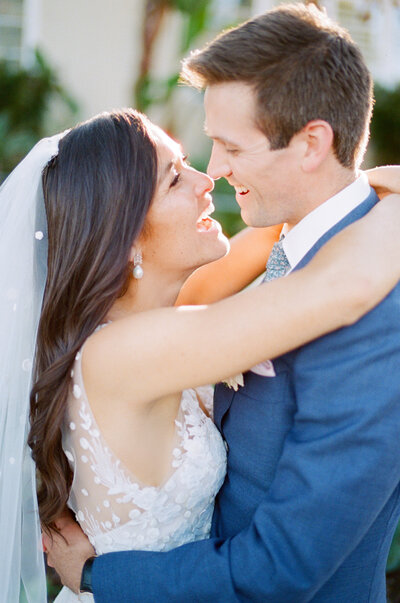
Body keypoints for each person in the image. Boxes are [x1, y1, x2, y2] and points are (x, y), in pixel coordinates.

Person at [42, 4, 400, 603]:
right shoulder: (138, 342)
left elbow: (284, 566)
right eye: (178, 174)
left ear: (312, 142)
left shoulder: (362, 307)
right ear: (128, 235)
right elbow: (335, 287)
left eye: (227, 147)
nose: (212, 173)